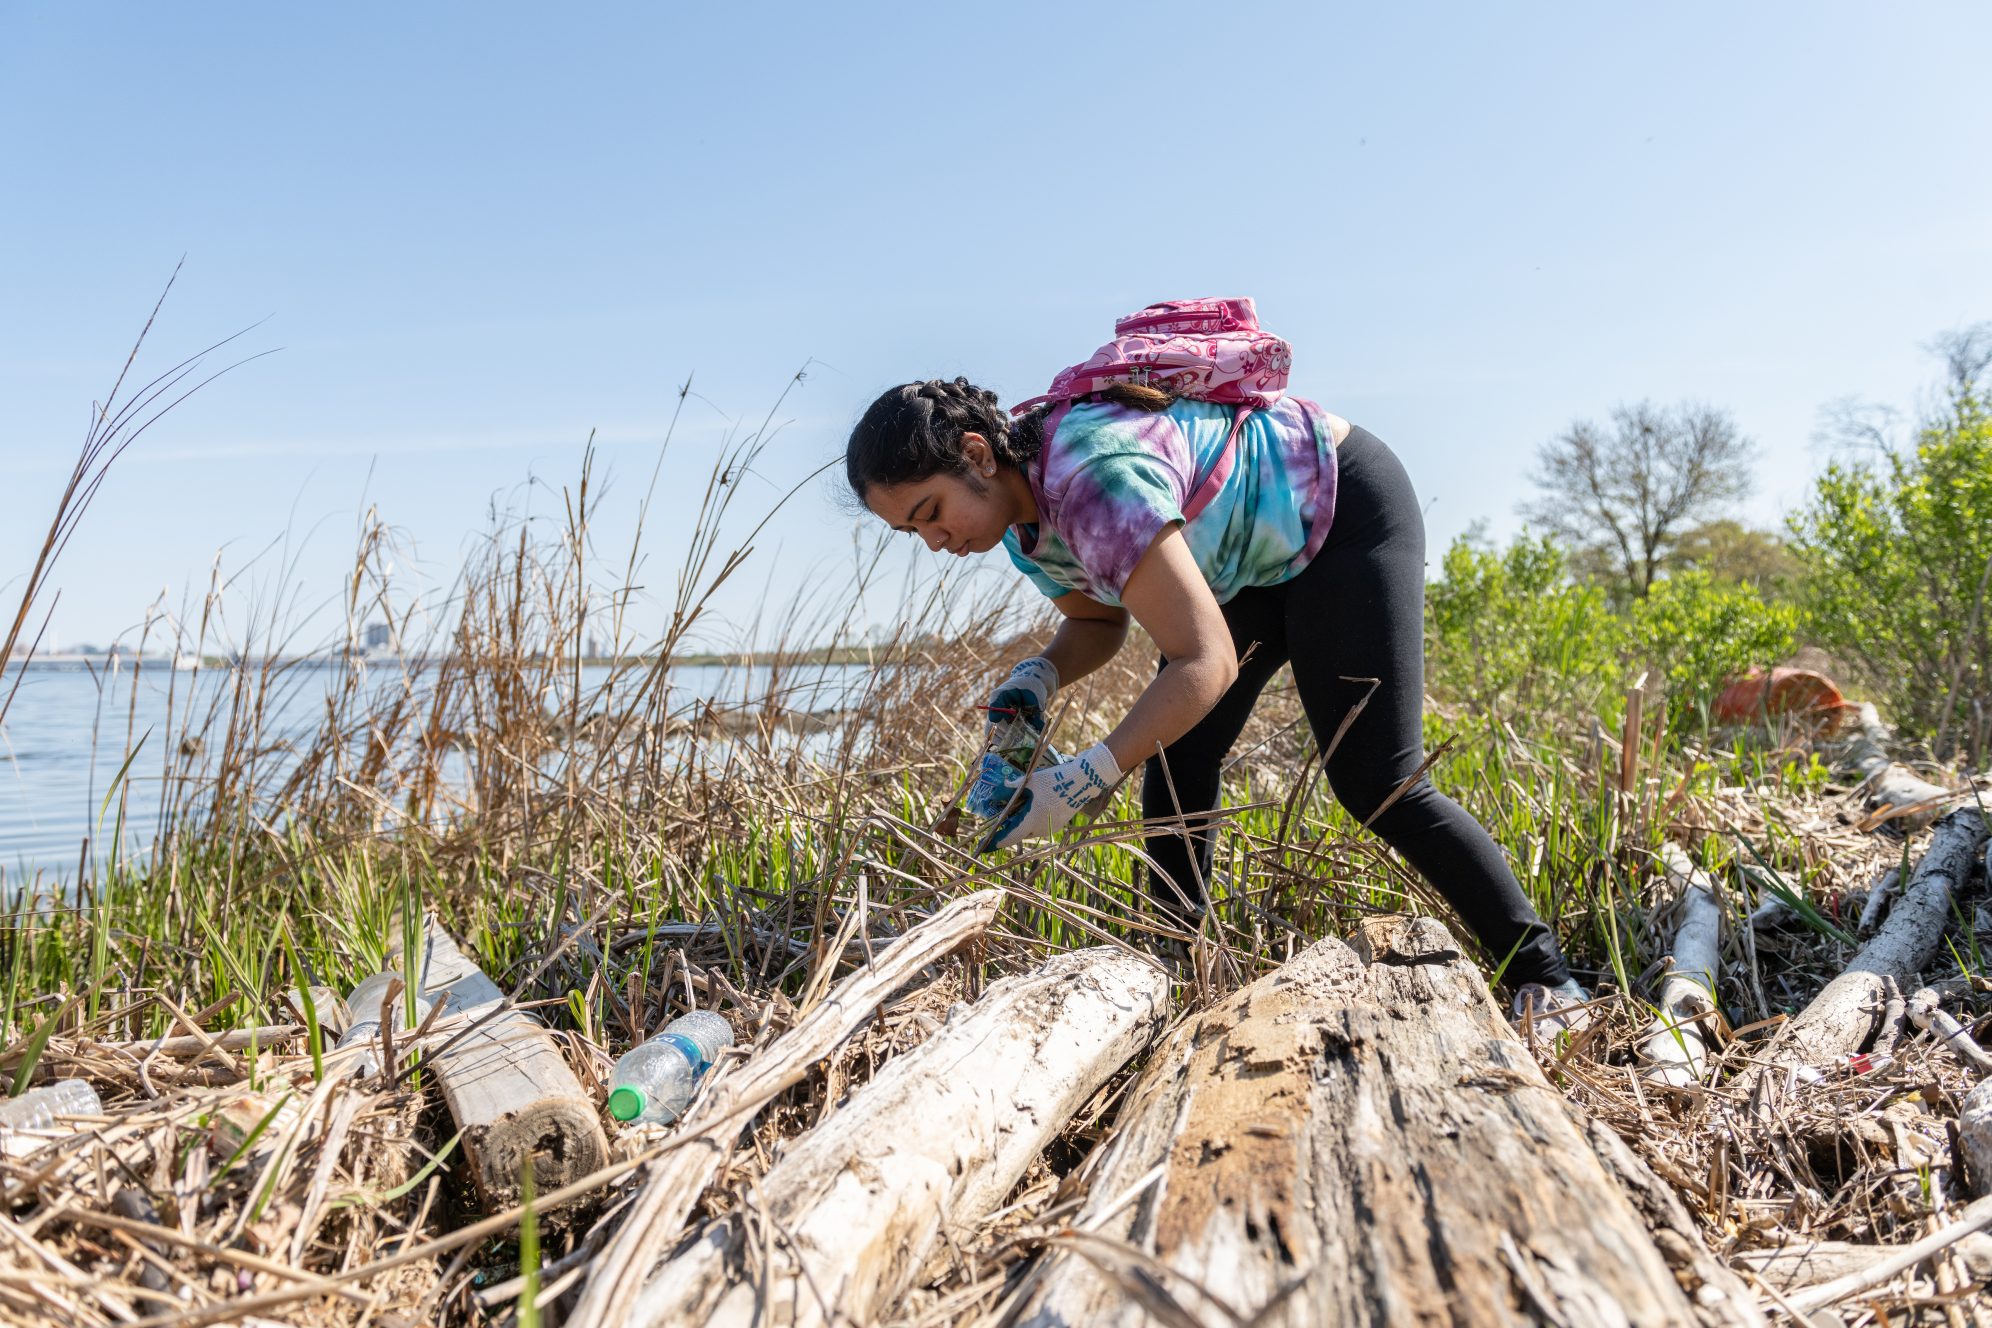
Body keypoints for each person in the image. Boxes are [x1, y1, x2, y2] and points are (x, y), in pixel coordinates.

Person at [843, 375, 1588, 1025]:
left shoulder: (1091, 481)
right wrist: (1037, 676)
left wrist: (1079, 782)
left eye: (930, 512)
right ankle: (1177, 971)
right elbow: (1097, 624)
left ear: (977, 454)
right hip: (1254, 560)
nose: (935, 541)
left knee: (1376, 781)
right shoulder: (1021, 526)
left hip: (1343, 507)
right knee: (1178, 759)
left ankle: (1547, 979)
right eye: (914, 532)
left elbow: (1206, 662)